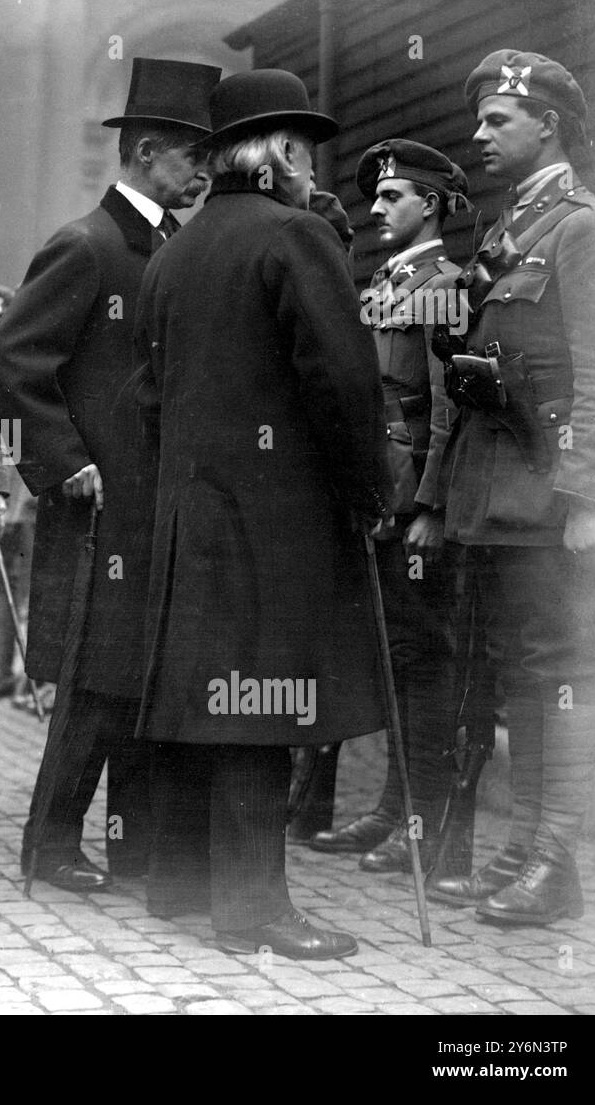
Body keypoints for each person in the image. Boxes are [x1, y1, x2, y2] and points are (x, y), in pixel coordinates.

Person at [134, 69, 391, 959]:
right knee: (257, 703)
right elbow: (345, 382)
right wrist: (373, 488)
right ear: (282, 151)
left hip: (189, 510)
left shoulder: (175, 250)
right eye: (306, 151)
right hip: (275, 517)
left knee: (200, 694)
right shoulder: (298, 236)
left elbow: (147, 390)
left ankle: (177, 885)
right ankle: (254, 911)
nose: (311, 169)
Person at [0, 58, 220, 896]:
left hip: (153, 511)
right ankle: (48, 847)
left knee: (135, 680)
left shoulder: (167, 247)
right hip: (98, 511)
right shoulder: (86, 245)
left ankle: (133, 850)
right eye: (193, 153)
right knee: (91, 685)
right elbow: (9, 363)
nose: (203, 170)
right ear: (149, 149)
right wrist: (65, 461)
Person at [426, 51, 595, 925]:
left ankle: (553, 859)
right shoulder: (513, 229)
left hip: (553, 496)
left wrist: (587, 500)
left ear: (548, 124)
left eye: (498, 120)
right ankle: (524, 855)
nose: (479, 135)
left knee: (562, 671)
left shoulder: (585, 227)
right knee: (523, 671)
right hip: (503, 494)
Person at [309, 140, 466, 873]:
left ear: (429, 205)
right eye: (373, 196)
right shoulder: (384, 281)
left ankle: (418, 822)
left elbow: (443, 406)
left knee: (420, 660)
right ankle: (389, 812)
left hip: (411, 503)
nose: (376, 207)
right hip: (379, 495)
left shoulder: (443, 283)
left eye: (392, 197)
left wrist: (430, 504)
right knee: (392, 658)